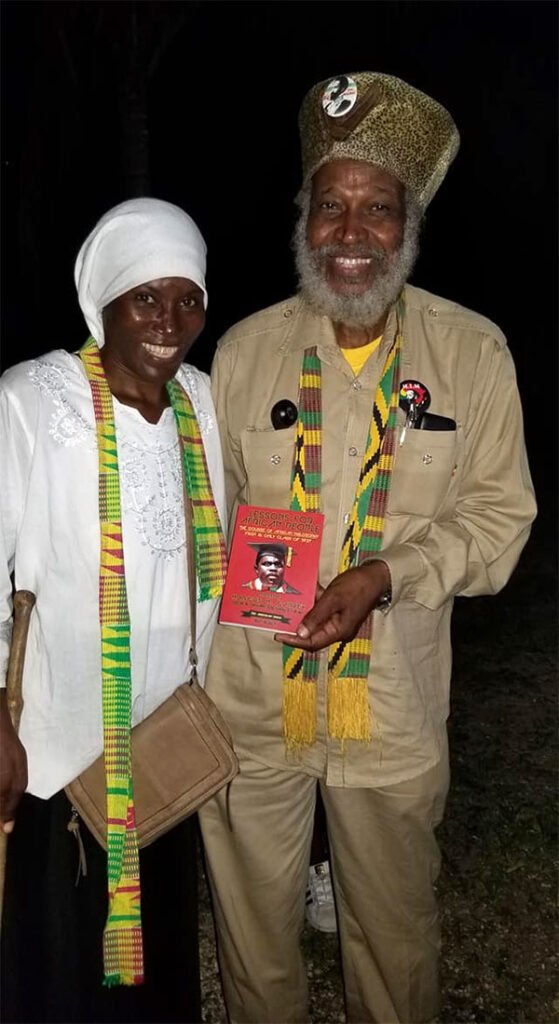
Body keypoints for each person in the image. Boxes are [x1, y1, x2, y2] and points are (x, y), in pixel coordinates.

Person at [198, 71, 537, 1023]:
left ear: (409, 222)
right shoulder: (242, 352)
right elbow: (202, 528)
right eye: (330, 208)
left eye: (377, 209)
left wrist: (389, 571)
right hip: (251, 702)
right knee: (253, 942)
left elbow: (499, 519)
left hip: (389, 709)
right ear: (302, 218)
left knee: (393, 945)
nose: (351, 235)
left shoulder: (471, 353)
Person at [0, 197, 227, 1023]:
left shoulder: (204, 401)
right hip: (58, 748)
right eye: (145, 298)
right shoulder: (31, 398)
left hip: (166, 739)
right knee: (61, 964)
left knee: (157, 965)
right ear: (102, 300)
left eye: (189, 298)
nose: (170, 320)